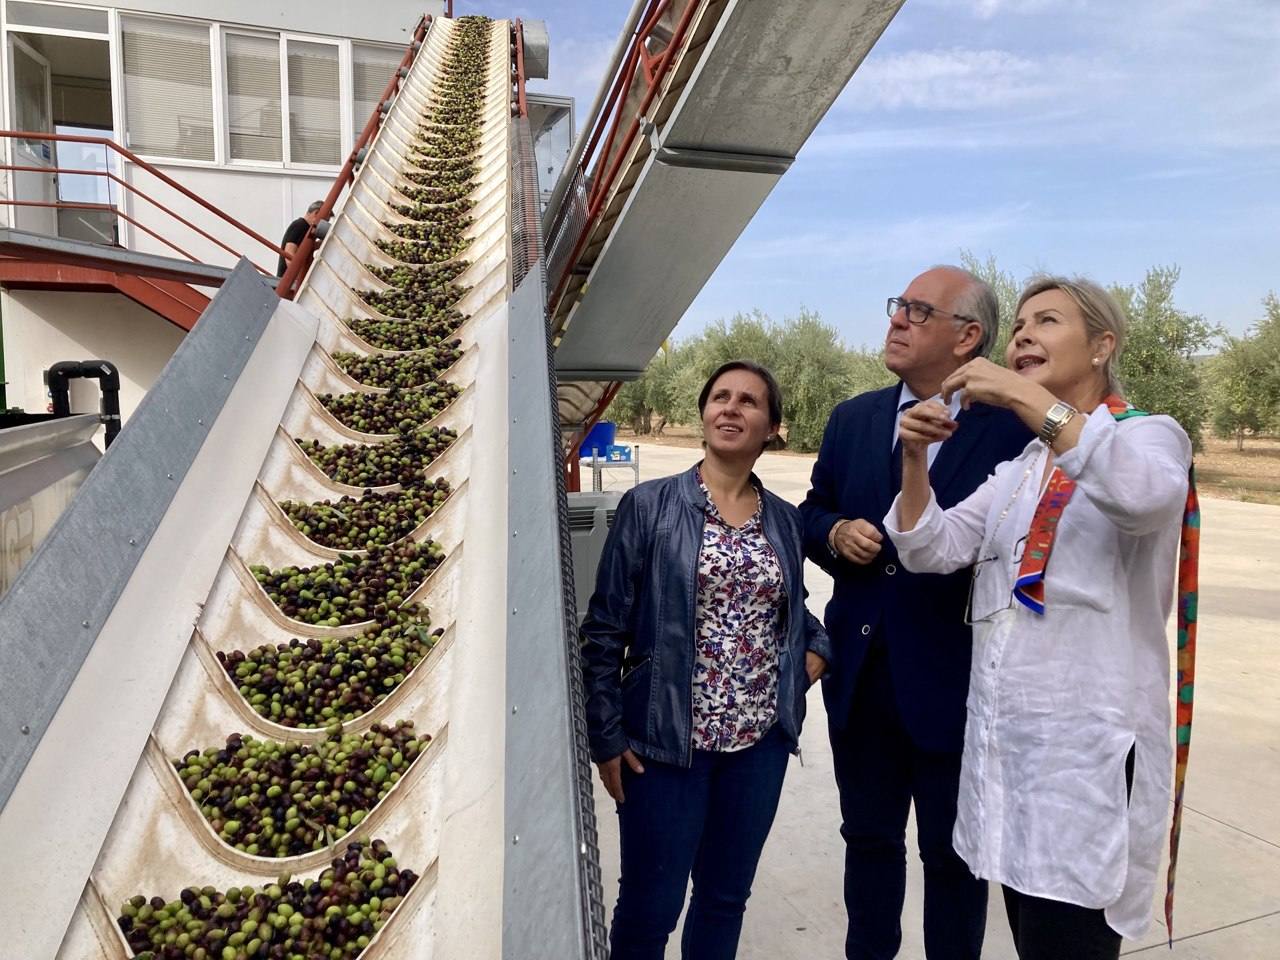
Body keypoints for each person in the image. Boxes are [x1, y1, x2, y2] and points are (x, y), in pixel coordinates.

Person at [884, 275, 1195, 960]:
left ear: (1102, 346)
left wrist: (1025, 396)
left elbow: (1142, 497)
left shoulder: (1147, 438)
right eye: (1019, 324)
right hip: (1013, 771)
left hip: (1084, 775)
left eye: (1046, 322)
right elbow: (929, 546)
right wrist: (913, 458)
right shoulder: (1022, 468)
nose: (1022, 334)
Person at [799, 266, 1032, 960]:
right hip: (863, 674)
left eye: (917, 310)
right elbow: (813, 511)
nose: (896, 319)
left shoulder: (1011, 434)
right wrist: (835, 534)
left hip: (956, 681)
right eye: (897, 306)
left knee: (953, 857)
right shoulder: (854, 418)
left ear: (968, 338)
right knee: (867, 843)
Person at [581, 360, 833, 960]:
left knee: (724, 899)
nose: (731, 408)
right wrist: (607, 736)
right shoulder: (649, 506)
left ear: (773, 427)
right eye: (720, 397)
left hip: (758, 748)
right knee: (650, 907)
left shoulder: (784, 520)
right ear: (703, 414)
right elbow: (603, 629)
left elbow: (792, 610)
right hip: (665, 749)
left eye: (748, 401)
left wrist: (817, 650)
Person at [278, 200, 323, 276]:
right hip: (290, 281)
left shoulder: (305, 228)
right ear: (316, 213)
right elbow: (289, 255)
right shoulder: (300, 226)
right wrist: (300, 278)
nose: (322, 225)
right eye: (324, 221)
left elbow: (306, 247)